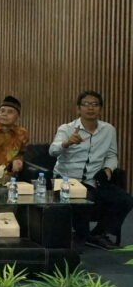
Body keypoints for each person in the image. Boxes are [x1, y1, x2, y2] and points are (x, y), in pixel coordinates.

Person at [49, 91, 131, 249]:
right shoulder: (67, 128)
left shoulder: (109, 130)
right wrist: (67, 143)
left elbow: (112, 155)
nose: (90, 108)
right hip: (68, 179)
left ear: (100, 109)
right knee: (85, 198)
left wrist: (108, 168)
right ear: (79, 109)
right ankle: (81, 236)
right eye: (86, 105)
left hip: (95, 180)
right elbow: (52, 151)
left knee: (125, 200)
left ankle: (97, 233)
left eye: (95, 105)